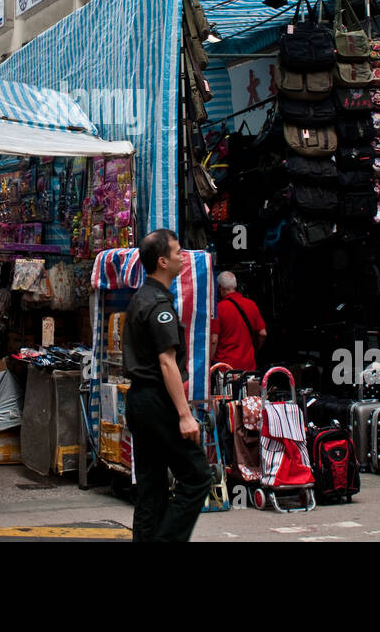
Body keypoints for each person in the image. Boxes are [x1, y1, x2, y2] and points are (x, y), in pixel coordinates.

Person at [123, 229, 211, 542]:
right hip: (157, 403)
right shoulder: (157, 304)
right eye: (176, 252)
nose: (182, 256)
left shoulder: (140, 298)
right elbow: (166, 363)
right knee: (198, 477)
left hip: (140, 403)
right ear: (162, 261)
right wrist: (185, 414)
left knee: (152, 487)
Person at [210, 271, 266, 372]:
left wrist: (210, 361)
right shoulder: (251, 304)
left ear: (221, 288)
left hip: (226, 368)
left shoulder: (218, 309)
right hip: (248, 366)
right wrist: (254, 351)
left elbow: (213, 340)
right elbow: (263, 333)